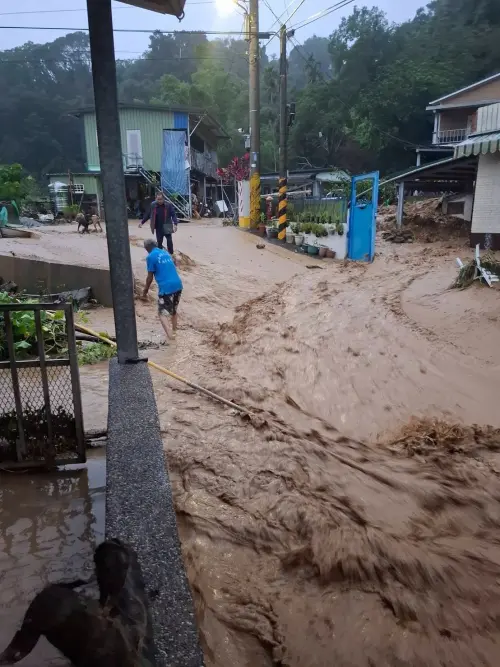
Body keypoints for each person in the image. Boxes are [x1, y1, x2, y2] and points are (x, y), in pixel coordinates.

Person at [142, 239, 182, 341]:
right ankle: (175, 332)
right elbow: (174, 265)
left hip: (166, 288)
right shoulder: (165, 252)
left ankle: (170, 336)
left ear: (147, 248)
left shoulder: (150, 257)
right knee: (173, 311)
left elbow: (149, 277)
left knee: (161, 313)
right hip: (178, 285)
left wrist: (145, 291)